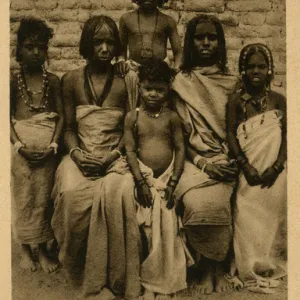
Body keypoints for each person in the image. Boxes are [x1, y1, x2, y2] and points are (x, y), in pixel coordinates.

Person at [51, 16, 140, 300]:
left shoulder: (126, 79)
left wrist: (112, 156)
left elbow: (132, 129)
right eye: (98, 42)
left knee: (122, 193)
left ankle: (116, 278)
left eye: (110, 42)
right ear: (87, 44)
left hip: (117, 154)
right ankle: (80, 273)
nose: (104, 48)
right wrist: (77, 155)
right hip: (80, 154)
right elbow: (67, 129)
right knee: (71, 194)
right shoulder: (72, 80)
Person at [171, 15, 240, 294]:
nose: (206, 43)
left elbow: (238, 130)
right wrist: (202, 163)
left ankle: (216, 268)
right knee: (198, 203)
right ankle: (203, 268)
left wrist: (229, 161)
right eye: (200, 38)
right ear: (190, 42)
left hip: (224, 159)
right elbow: (178, 138)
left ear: (220, 43)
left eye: (212, 38)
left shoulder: (232, 82)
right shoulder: (181, 82)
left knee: (219, 201)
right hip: (192, 161)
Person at [124, 61, 189, 300]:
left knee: (167, 226)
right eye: (149, 88)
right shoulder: (133, 117)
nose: (153, 94)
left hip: (166, 180)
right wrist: (141, 182)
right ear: (139, 87)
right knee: (147, 229)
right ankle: (148, 282)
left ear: (168, 90)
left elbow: (180, 149)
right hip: (144, 179)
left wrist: (172, 183)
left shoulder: (171, 118)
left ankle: (165, 283)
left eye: (160, 90)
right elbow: (130, 151)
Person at [226, 43, 287, 293]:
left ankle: (269, 261)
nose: (255, 71)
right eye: (250, 66)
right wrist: (245, 165)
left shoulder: (279, 100)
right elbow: (230, 134)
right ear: (242, 71)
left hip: (275, 172)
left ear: (270, 70)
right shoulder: (236, 102)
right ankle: (248, 263)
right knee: (245, 211)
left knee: (274, 212)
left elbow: (289, 136)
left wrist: (278, 165)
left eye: (261, 66)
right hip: (248, 170)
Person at [10, 18, 63, 273]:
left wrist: (53, 145)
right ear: (19, 49)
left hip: (47, 153)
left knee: (43, 198)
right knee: (23, 198)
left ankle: (42, 248)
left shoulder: (52, 81)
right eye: (30, 46)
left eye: (41, 47)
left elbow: (62, 117)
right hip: (20, 152)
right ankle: (23, 248)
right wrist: (18, 145)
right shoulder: (11, 81)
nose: (35, 52)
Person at [116, 0, 182, 76]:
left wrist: (176, 70)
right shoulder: (126, 19)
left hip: (160, 71)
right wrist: (121, 61)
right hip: (133, 70)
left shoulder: (168, 20)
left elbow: (178, 52)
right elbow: (121, 50)